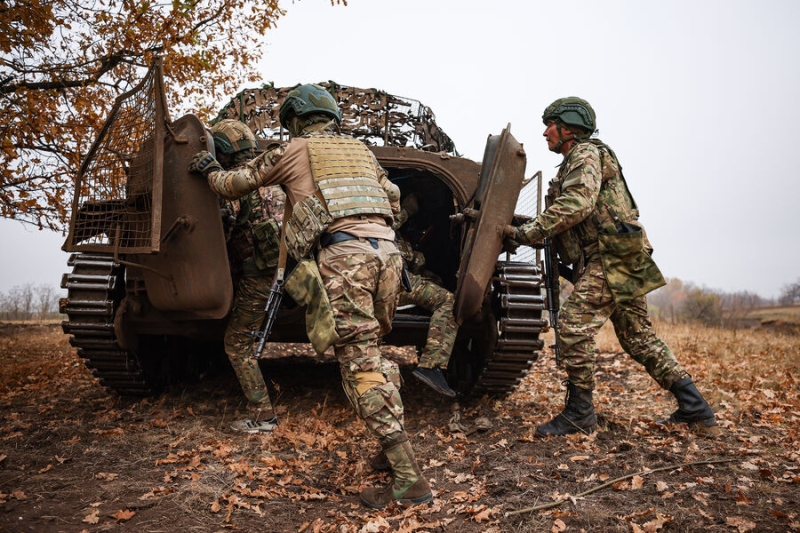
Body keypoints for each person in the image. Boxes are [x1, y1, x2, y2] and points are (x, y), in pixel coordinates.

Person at [189, 84, 432, 508]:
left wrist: (210, 168)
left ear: (296, 120)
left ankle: (410, 479)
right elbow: (392, 198)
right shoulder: (361, 151)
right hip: (390, 258)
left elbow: (233, 185)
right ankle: (390, 450)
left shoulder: (294, 149)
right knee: (372, 354)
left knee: (359, 368)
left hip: (345, 259)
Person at [504, 97, 717, 437]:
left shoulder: (585, 154)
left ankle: (579, 414)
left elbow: (578, 204)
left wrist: (526, 233)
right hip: (621, 254)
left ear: (568, 128)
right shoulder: (579, 159)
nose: (545, 132)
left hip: (611, 256)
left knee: (573, 325)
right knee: (638, 338)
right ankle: (695, 408)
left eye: (550, 125)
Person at [205, 119, 285, 434]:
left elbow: (221, 234)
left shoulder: (236, 185)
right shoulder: (271, 179)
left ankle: (264, 417)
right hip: (285, 271)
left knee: (237, 342)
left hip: (259, 277)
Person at [394, 193, 458, 398]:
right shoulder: (377, 214)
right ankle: (432, 365)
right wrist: (407, 211)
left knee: (435, 282)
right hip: (391, 282)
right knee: (447, 300)